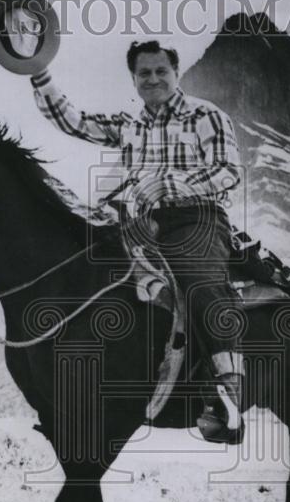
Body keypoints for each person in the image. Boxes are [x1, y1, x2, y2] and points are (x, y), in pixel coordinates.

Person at [30, 40, 245, 443]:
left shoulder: (206, 115)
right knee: (83, 269)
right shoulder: (131, 124)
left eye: (160, 71)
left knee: (200, 282)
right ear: (134, 78)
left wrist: (171, 184)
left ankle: (228, 393)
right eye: (143, 73)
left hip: (196, 219)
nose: (152, 79)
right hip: (141, 224)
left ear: (175, 72)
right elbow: (74, 121)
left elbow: (229, 170)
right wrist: (38, 71)